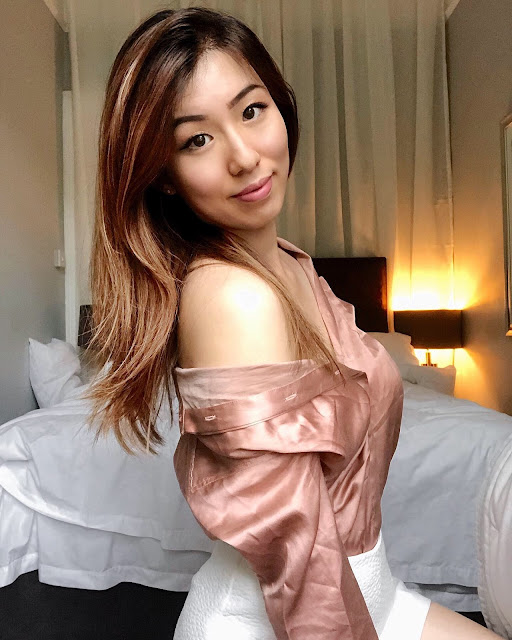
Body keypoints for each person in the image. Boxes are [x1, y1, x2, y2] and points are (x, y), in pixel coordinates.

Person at [85, 7, 503, 640]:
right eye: (197, 140)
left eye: (252, 110)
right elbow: (299, 560)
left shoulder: (294, 265)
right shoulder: (231, 297)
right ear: (163, 176)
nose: (244, 156)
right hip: (283, 619)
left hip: (370, 591)